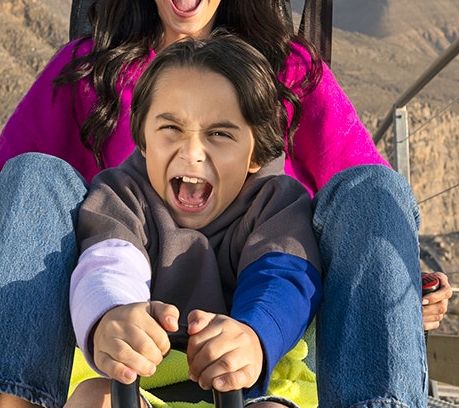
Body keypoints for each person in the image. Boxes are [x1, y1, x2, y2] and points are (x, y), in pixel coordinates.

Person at [0, 0, 452, 408]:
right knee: (33, 172)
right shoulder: (89, 72)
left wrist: (399, 278)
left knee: (373, 184)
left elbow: (360, 192)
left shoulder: (288, 70)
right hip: (118, 330)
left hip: (260, 316)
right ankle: (2, 398)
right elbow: (12, 191)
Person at [68, 34, 319, 408]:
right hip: (139, 387)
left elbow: (282, 276)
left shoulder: (276, 202)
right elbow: (109, 262)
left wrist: (253, 335)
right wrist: (111, 313)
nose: (191, 152)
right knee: (95, 399)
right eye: (171, 129)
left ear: (255, 155)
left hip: (253, 388)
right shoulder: (121, 194)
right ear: (144, 138)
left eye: (219, 134)